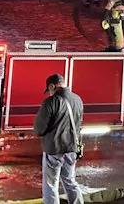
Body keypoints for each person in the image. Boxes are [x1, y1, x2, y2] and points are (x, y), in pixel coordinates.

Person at [34, 74, 84, 204]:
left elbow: (39, 128)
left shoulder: (51, 102)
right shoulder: (77, 99)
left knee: (51, 184)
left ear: (52, 86)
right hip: (72, 148)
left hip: (54, 149)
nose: (49, 93)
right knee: (70, 180)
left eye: (49, 90)